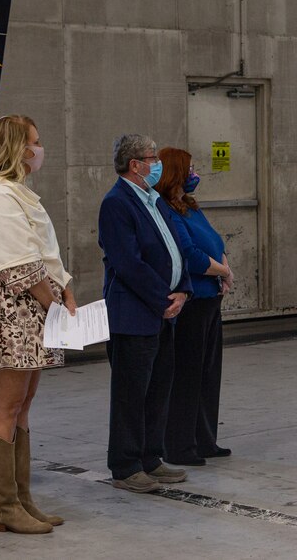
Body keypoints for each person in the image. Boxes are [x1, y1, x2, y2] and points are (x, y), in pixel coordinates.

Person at [0, 115, 74, 534]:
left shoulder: (20, 193)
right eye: (34, 142)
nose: (39, 150)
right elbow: (18, 265)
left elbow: (43, 253)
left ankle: (23, 499)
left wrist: (64, 288)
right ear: (16, 148)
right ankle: (4, 507)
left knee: (22, 407)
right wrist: (55, 303)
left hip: (29, 313)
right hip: (4, 314)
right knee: (5, 408)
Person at [98, 134, 193, 493]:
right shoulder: (117, 203)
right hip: (135, 314)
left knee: (158, 388)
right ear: (135, 165)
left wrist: (182, 288)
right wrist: (162, 299)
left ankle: (151, 458)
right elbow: (127, 263)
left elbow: (177, 247)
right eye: (153, 158)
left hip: (164, 311)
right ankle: (125, 466)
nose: (158, 164)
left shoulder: (153, 200)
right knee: (131, 394)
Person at [155, 147, 233, 466]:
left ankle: (205, 439)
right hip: (192, 301)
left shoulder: (189, 206)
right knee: (187, 374)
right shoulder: (165, 210)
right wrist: (222, 271)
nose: (195, 173)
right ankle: (179, 444)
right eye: (190, 168)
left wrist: (224, 266)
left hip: (211, 298)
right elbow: (189, 254)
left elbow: (214, 242)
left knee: (207, 372)